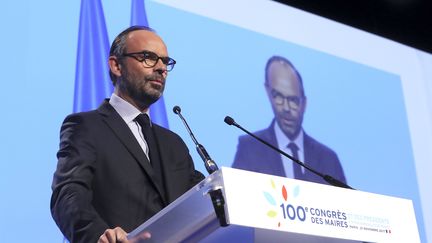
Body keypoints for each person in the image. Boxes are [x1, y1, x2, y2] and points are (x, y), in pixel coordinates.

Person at [50, 26, 205, 243]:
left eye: (165, 61)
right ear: (116, 65)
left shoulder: (174, 144)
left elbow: (203, 200)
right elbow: (68, 195)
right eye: (148, 58)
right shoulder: (86, 126)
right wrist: (99, 236)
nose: (161, 68)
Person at [232, 56, 346, 185]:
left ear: (304, 104)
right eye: (278, 97)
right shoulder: (250, 147)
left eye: (293, 100)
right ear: (268, 94)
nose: (286, 108)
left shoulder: (328, 159)